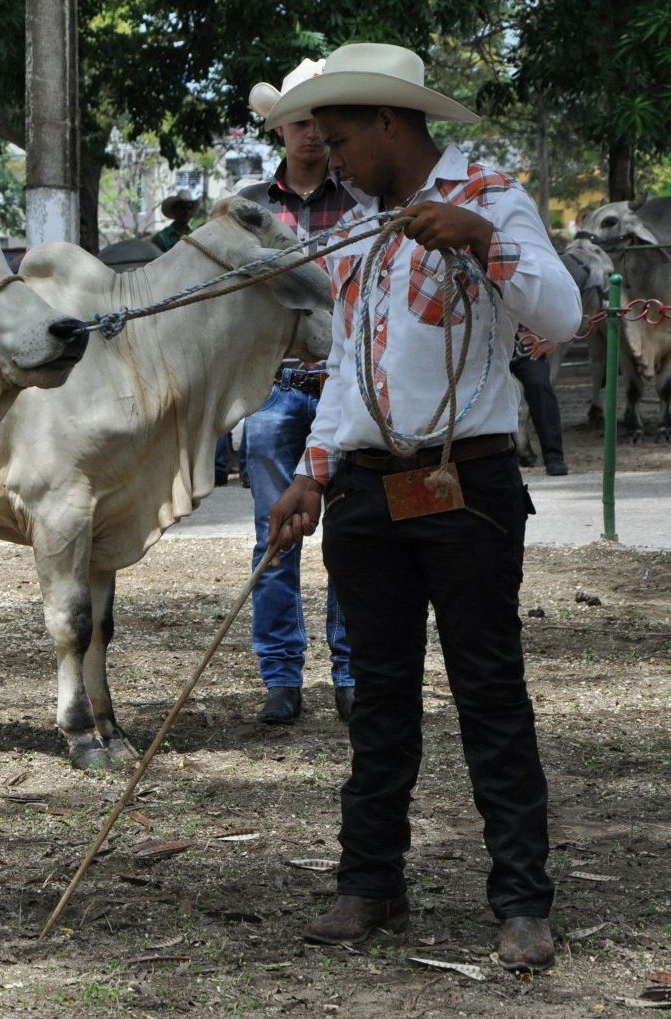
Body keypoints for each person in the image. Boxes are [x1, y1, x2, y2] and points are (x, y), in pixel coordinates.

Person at [264, 43, 581, 972]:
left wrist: (483, 241)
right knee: (381, 699)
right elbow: (351, 372)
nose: (327, 159)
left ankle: (522, 902)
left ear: (389, 124)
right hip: (364, 487)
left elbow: (557, 313)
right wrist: (313, 471)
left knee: (488, 692)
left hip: (463, 482)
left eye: (338, 139)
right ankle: (370, 886)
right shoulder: (360, 230)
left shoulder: (488, 196)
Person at [239, 58, 357, 724]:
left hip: (345, 385)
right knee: (273, 537)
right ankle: (280, 676)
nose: (311, 134)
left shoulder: (364, 199)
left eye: (321, 121)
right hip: (274, 387)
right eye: (300, 121)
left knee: (350, 537)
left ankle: (348, 672)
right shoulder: (248, 207)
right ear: (279, 125)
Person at [510, 336, 569, 475]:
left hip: (526, 348)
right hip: (488, 350)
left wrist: (553, 338)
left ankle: (554, 457)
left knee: (540, 385)